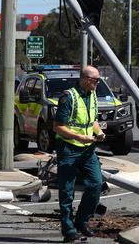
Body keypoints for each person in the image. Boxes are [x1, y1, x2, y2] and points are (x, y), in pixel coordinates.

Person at [54, 65, 106, 242]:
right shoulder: (68, 97)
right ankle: (68, 229)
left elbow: (93, 121)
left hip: (87, 150)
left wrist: (98, 132)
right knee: (67, 191)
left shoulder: (92, 95)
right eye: (95, 80)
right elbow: (58, 127)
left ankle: (82, 220)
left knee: (96, 183)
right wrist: (78, 137)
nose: (98, 83)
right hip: (69, 149)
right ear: (85, 79)